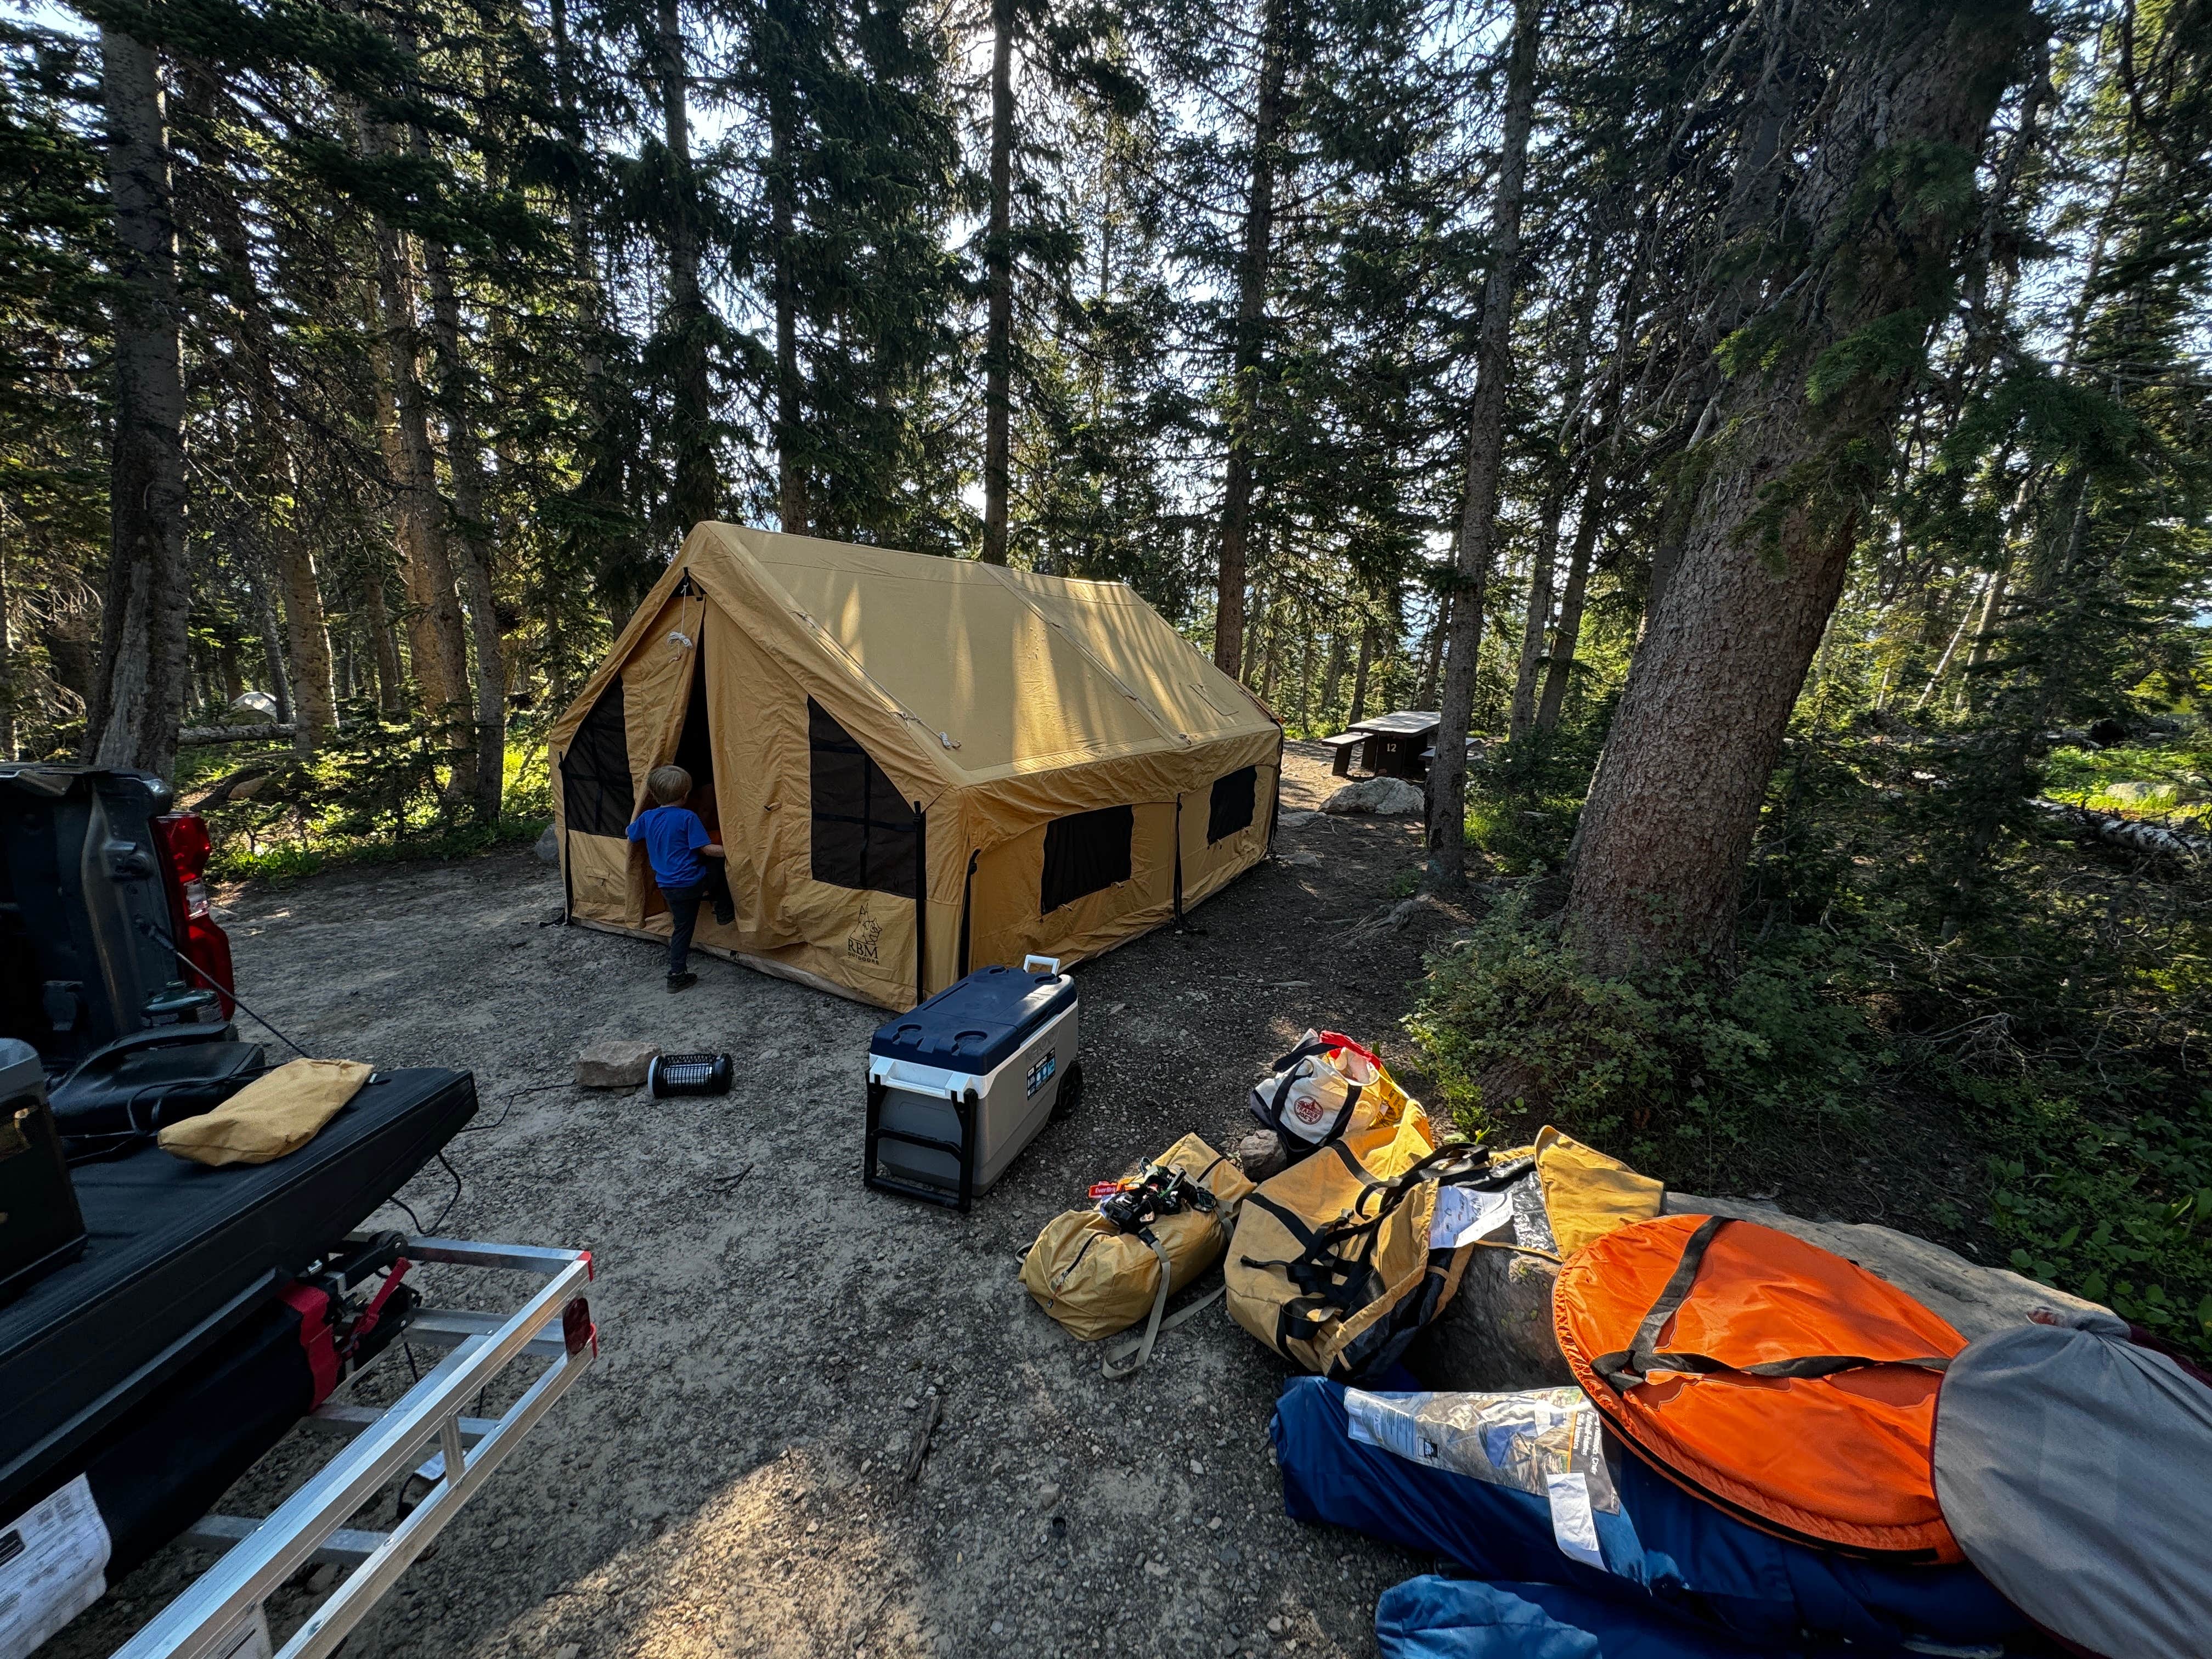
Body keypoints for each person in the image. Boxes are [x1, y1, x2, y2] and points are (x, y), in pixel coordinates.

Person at [626, 765, 735, 991]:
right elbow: (705, 849)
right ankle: (677, 974)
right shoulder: (688, 817)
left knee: (681, 925)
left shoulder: (647, 817)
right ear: (686, 795)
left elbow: (631, 834)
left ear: (654, 796)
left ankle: (679, 972)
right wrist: (734, 852)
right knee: (716, 868)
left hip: (667, 886)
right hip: (691, 883)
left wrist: (632, 827)